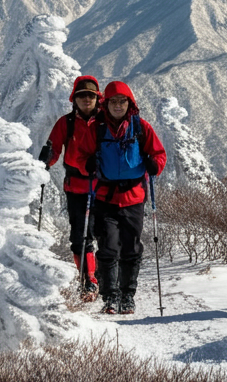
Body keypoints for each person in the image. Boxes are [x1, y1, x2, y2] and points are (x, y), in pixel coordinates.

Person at [93, 80, 166, 315]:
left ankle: (127, 296)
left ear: (129, 103)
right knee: (108, 246)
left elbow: (158, 153)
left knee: (131, 247)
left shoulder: (141, 127)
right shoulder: (97, 127)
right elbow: (83, 152)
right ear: (106, 104)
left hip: (134, 196)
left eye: (122, 101)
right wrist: (87, 164)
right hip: (105, 196)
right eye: (113, 101)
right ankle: (110, 296)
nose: (117, 105)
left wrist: (155, 165)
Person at [40, 75, 102, 300]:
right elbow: (54, 148)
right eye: (82, 95)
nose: (86, 99)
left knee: (103, 233)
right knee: (80, 236)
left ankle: (103, 278)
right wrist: (46, 161)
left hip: (104, 187)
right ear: (74, 99)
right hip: (76, 187)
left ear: (98, 98)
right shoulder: (65, 123)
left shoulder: (106, 121)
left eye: (91, 95)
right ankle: (89, 281)